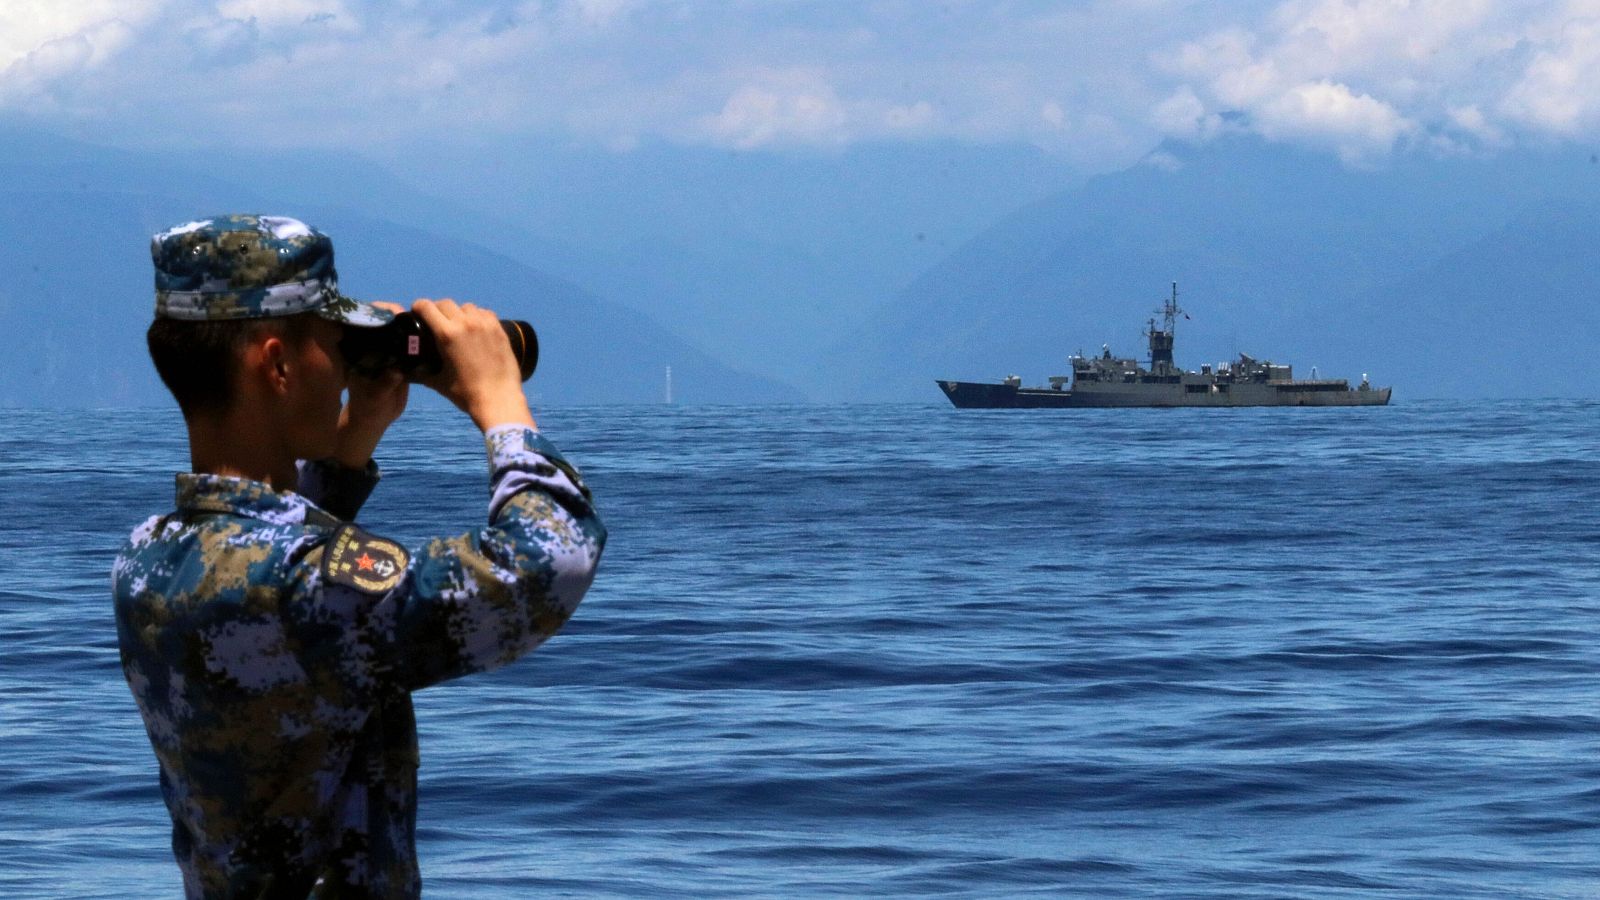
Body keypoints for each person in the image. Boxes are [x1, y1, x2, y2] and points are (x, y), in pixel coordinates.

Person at [112, 214, 606, 897]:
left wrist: (354, 438)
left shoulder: (147, 559)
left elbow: (261, 551)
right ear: (279, 364)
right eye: (334, 345)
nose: (345, 370)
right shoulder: (306, 587)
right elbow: (547, 566)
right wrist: (500, 404)